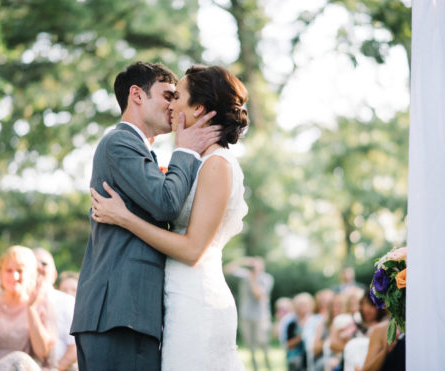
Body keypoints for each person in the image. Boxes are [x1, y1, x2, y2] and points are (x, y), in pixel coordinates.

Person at [90, 64, 249, 370]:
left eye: (178, 96)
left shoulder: (216, 164)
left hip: (197, 299)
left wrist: (125, 218)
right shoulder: (197, 163)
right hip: (177, 299)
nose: (172, 104)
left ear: (198, 108)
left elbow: (191, 250)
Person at [0, 245, 57, 371]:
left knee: (20, 360)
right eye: (9, 270)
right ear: (1, 273)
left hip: (24, 368)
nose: (14, 276)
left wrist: (31, 309)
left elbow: (42, 352)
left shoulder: (42, 305)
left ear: (31, 275)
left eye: (20, 271)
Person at [224, 256, 274, 371]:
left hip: (261, 317)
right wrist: (242, 261)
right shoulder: (245, 274)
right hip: (246, 316)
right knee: (251, 347)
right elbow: (227, 269)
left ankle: (269, 368)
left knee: (264, 345)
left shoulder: (266, 278)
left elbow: (258, 294)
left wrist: (252, 278)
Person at [33, 248, 77, 371]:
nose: (38, 267)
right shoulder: (19, 303)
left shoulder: (67, 302)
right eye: (33, 263)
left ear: (54, 274)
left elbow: (75, 347)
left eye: (43, 263)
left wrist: (55, 368)